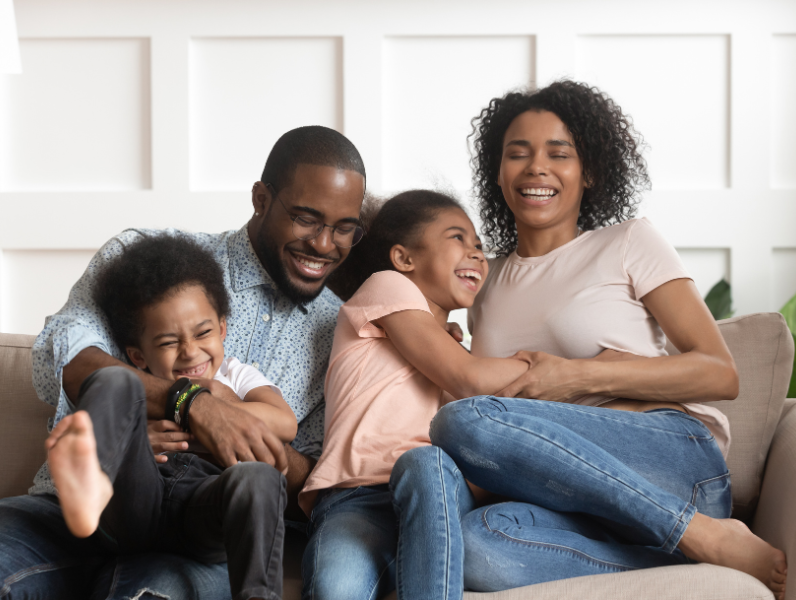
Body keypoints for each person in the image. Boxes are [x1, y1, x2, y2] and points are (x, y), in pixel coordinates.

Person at [416, 81, 787, 599]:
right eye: (517, 154)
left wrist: (578, 377)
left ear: (588, 171)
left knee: (465, 421)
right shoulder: (483, 279)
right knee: (477, 547)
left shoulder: (629, 242)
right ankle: (686, 548)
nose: (536, 168)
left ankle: (699, 531)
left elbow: (720, 373)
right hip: (577, 501)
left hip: (670, 464)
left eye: (558, 154)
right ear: (497, 173)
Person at [0, 125, 366, 600]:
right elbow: (68, 359)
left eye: (344, 228)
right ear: (261, 199)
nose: (324, 244)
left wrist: (230, 437)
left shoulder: (341, 333)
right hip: (73, 511)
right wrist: (186, 405)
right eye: (306, 219)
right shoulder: (143, 257)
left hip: (203, 535)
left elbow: (316, 489)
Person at [299, 189, 556, 600]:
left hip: (439, 495)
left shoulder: (457, 349)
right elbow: (468, 377)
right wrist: (565, 371)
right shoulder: (386, 286)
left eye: (479, 246)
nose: (476, 254)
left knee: (425, 462)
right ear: (404, 259)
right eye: (458, 238)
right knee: (336, 589)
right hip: (358, 496)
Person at [48, 234, 296, 600]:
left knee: (260, 477)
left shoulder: (236, 375)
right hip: (137, 497)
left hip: (205, 503)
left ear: (223, 328)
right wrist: (131, 437)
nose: (190, 352)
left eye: (203, 333)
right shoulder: (139, 385)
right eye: (167, 342)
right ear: (139, 356)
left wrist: (215, 408)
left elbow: (285, 423)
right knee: (113, 379)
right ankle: (90, 484)